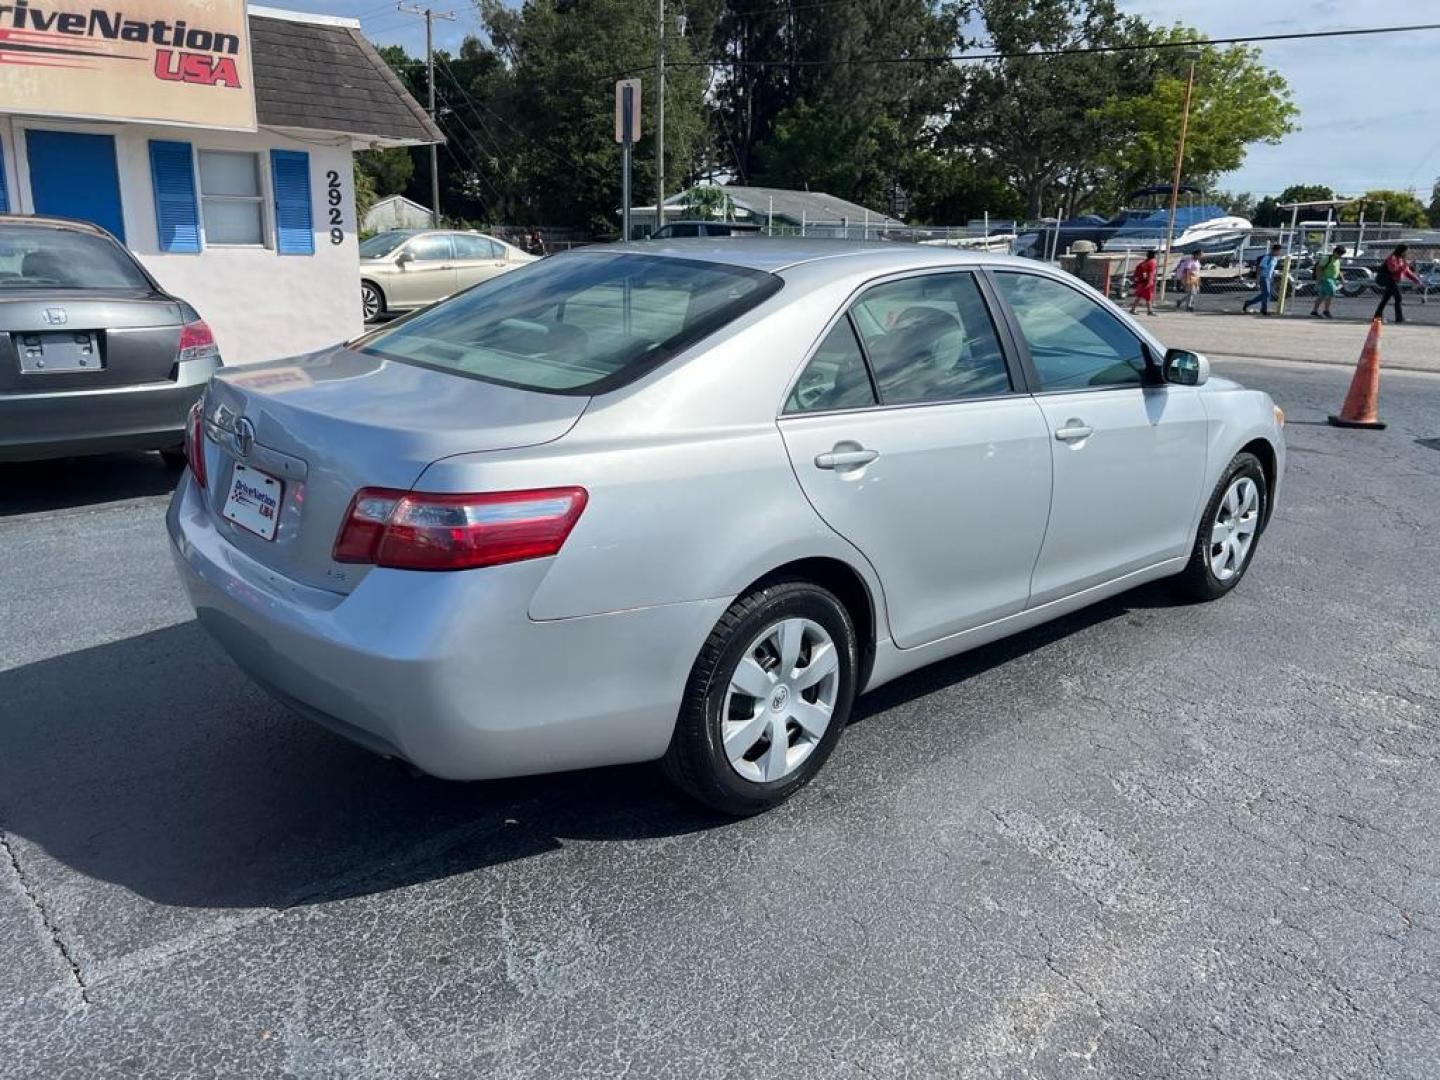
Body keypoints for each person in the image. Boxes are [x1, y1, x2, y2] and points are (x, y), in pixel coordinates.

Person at [1374, 243, 1421, 323]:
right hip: (1388, 279)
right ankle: (1399, 318)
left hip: (1393, 280)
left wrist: (1416, 280)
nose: (1406, 253)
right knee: (1398, 297)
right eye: (1406, 251)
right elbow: (1393, 270)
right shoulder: (1392, 258)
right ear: (1401, 250)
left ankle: (1377, 317)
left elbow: (1407, 272)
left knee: (1386, 299)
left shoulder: (1401, 259)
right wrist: (1405, 266)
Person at [1242, 243, 1283, 316]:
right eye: (1278, 251)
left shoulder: (1275, 259)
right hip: (1263, 277)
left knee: (1265, 295)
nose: (1279, 253)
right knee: (1266, 294)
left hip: (1269, 278)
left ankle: (1249, 303)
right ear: (1274, 250)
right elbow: (1260, 269)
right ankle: (1264, 310)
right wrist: (1257, 280)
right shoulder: (1267, 258)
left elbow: (1271, 269)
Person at [1309, 245, 1346, 320]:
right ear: (1335, 252)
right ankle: (1326, 310)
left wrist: (1342, 278)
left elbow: (1338, 270)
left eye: (1341, 255)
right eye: (1339, 254)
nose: (1340, 256)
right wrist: (1319, 279)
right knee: (1332, 292)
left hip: (1333, 280)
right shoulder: (1327, 258)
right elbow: (1319, 268)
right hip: (1326, 279)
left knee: (1322, 296)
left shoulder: (1337, 261)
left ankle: (1314, 311)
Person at [1129, 249, 1158, 316]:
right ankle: (1149, 311)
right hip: (1146, 282)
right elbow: (1150, 273)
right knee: (1148, 297)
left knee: (1139, 296)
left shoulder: (1144, 262)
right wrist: (1150, 282)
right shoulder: (1152, 262)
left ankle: (1133, 309)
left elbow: (1138, 270)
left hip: (1141, 281)